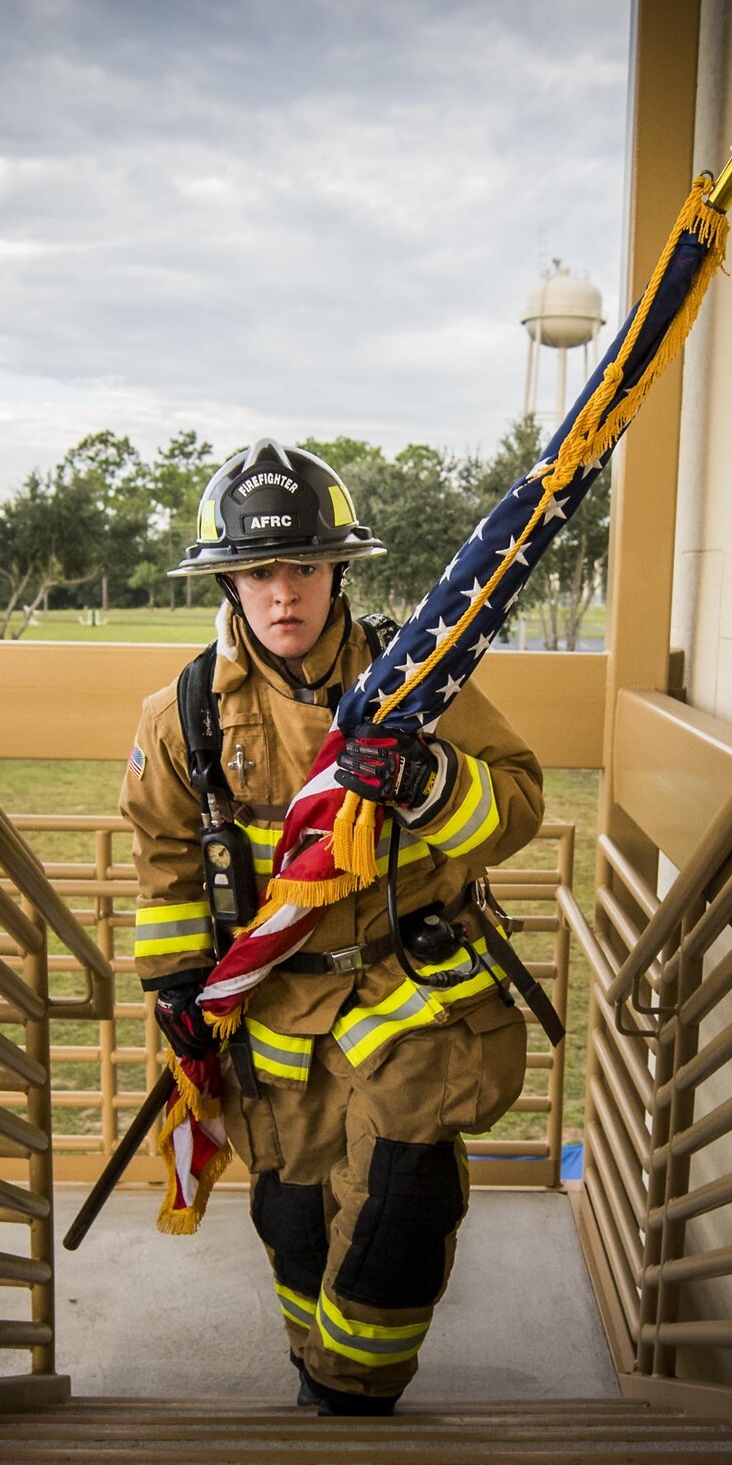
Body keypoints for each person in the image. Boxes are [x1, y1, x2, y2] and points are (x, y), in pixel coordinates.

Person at [119, 437, 544, 1415]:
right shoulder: (177, 718)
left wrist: (423, 781)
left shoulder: (416, 683)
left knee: (406, 1198)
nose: (283, 594)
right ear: (227, 583)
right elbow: (166, 866)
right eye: (258, 570)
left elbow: (515, 804)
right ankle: (316, 1370)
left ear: (336, 571)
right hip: (273, 1013)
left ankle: (355, 1402)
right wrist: (179, 989)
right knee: (293, 1217)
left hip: (410, 991)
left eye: (303, 565)